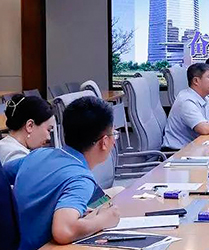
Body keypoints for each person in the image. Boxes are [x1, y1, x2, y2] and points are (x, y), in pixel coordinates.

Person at [4, 97, 121, 249]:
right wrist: (103, 220)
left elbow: (3, 174)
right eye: (114, 134)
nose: (114, 140)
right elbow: (63, 231)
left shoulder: (38, 154)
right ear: (104, 142)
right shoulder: (81, 179)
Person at [162, 63, 209, 151]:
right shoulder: (186, 100)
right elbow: (203, 129)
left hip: (195, 147)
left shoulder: (205, 97)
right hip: (177, 152)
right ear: (196, 81)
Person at [0, 95, 56, 164]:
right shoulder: (17, 156)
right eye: (48, 130)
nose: (49, 137)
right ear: (30, 126)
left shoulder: (6, 146)